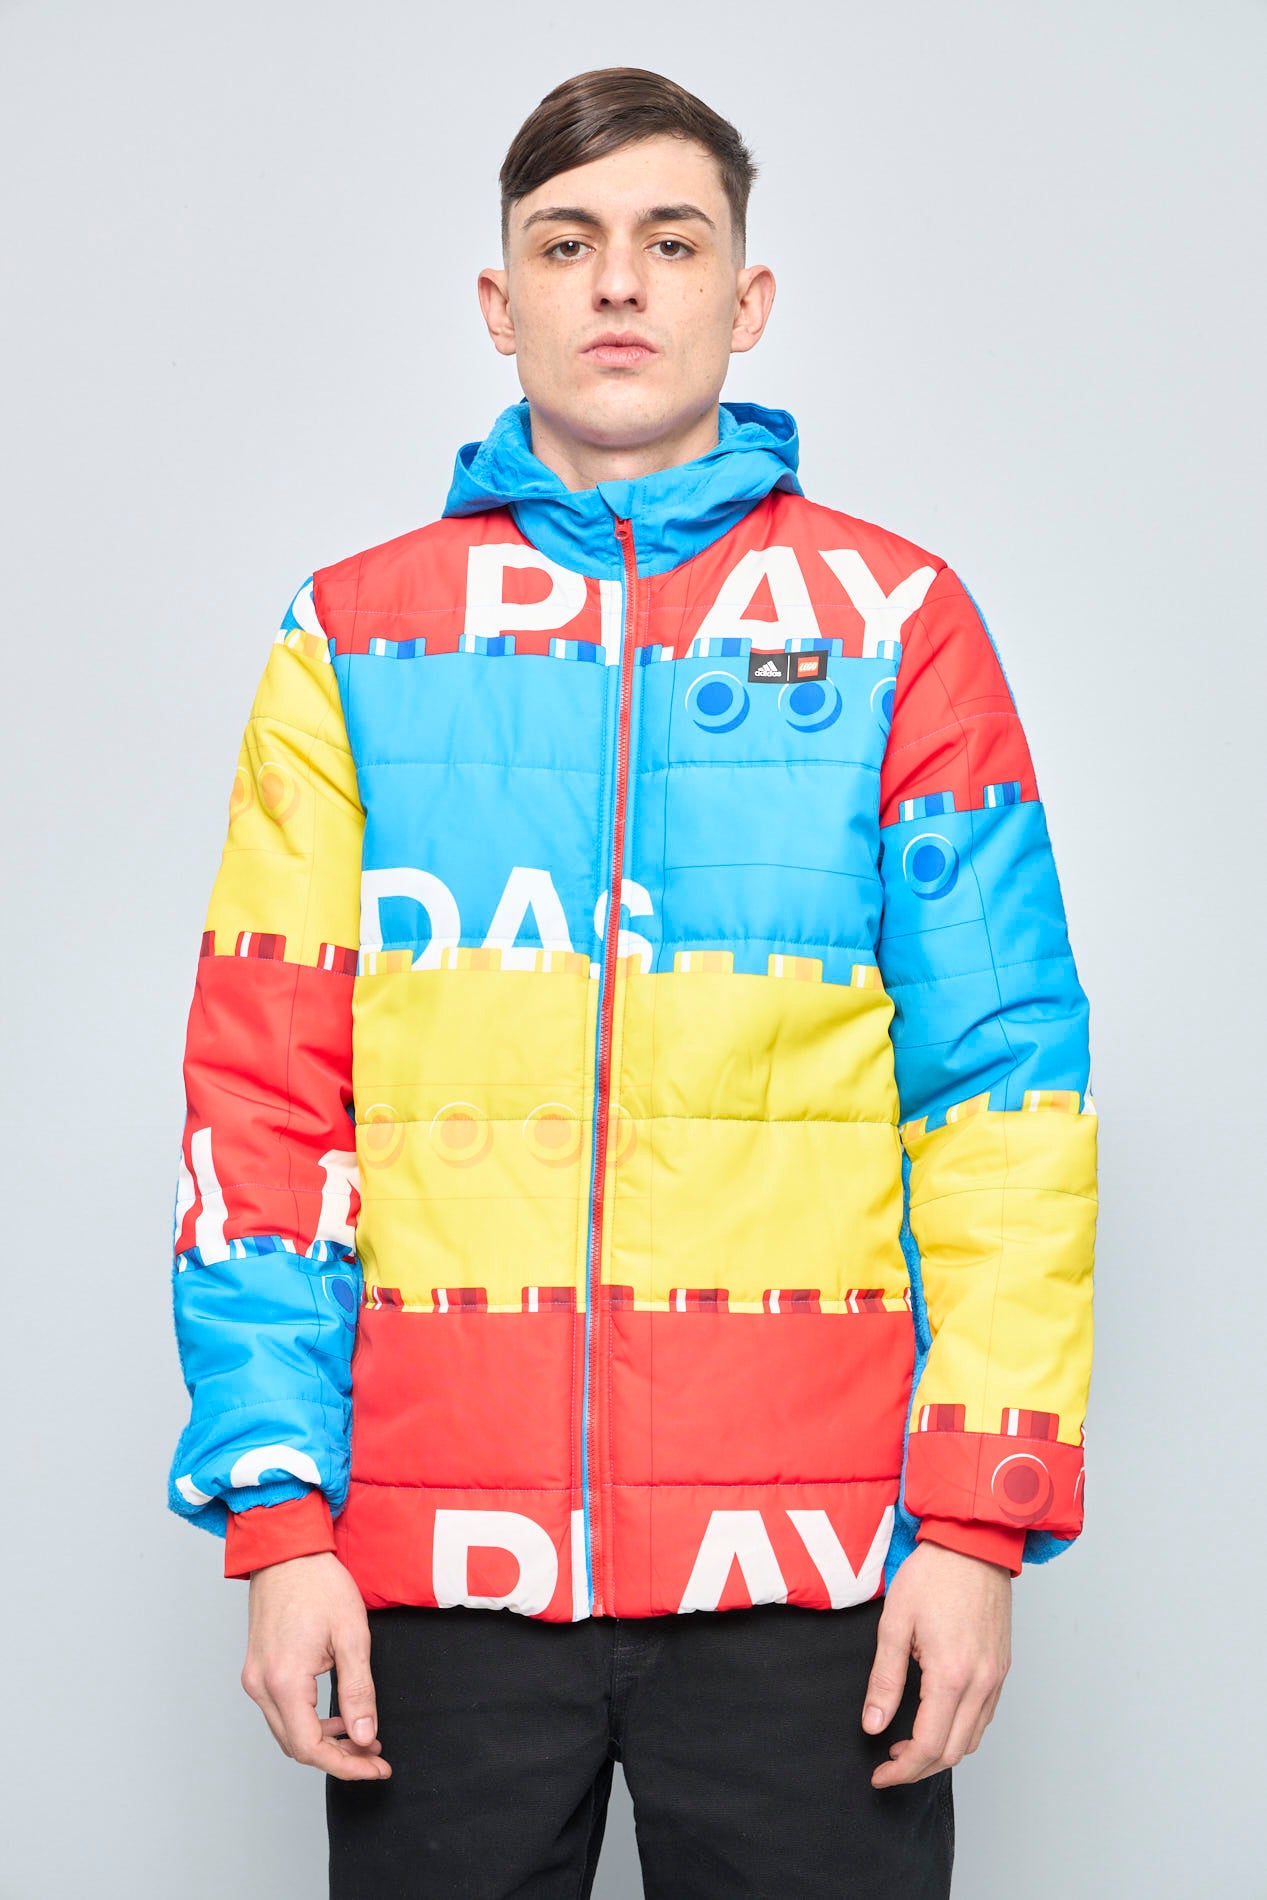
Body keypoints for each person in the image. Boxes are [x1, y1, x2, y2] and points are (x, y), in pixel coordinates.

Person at [166, 66, 1097, 1899]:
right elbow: (266, 1100)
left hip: (817, 1575)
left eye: (671, 243)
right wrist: (276, 1519)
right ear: (497, 301)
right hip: (436, 1567)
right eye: (566, 243)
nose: (616, 282)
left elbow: (1007, 1093)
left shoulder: (899, 625)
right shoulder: (351, 636)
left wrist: (979, 1522)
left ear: (746, 300)